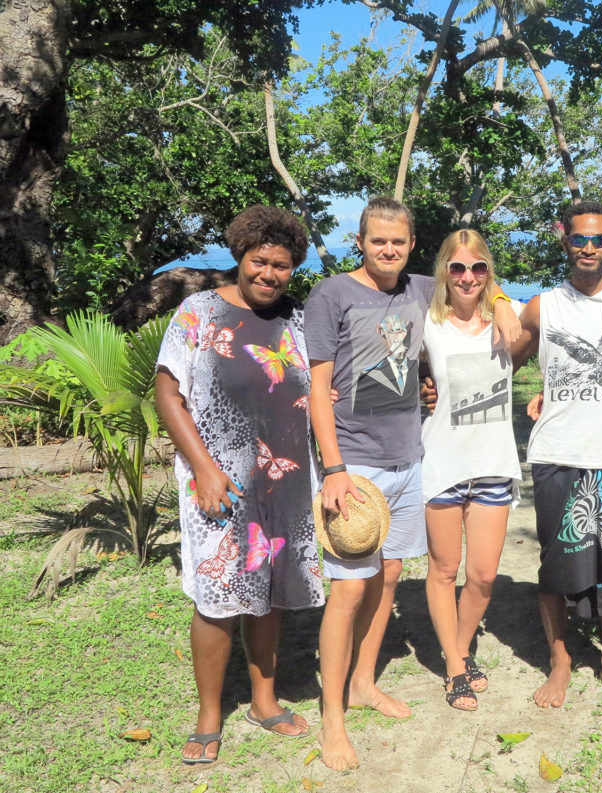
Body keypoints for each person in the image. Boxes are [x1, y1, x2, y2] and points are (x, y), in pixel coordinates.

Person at [304, 197, 519, 769]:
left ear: (412, 244)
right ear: (360, 240)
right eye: (378, 241)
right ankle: (332, 720)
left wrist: (501, 302)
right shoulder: (332, 295)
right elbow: (317, 385)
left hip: (410, 460)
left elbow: (476, 283)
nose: (388, 250)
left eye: (398, 242)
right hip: (355, 465)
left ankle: (363, 683)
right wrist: (332, 466)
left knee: (391, 577)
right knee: (348, 589)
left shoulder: (422, 289)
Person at [155, 205, 324, 764]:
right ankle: (208, 715)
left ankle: (263, 699)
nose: (268, 274)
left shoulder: (297, 320)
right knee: (217, 596)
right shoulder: (198, 311)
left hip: (287, 479)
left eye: (281, 265)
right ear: (240, 257)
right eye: (259, 262)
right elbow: (167, 392)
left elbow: (323, 391)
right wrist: (203, 467)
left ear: (293, 267)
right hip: (220, 480)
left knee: (268, 588)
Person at [512, 200, 602, 708]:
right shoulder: (541, 305)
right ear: (563, 238)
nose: (589, 248)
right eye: (580, 239)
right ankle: (561, 661)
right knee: (557, 564)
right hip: (557, 451)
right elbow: (504, 358)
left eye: (599, 240)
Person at [420, 229, 524, 711]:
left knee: (482, 575)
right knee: (444, 569)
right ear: (444, 269)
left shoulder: (510, 315)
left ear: (489, 272)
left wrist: (501, 299)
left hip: (493, 463)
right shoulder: (426, 322)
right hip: (442, 461)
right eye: (457, 267)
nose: (467, 277)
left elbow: (560, 313)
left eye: (478, 267)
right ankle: (456, 666)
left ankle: (458, 649)